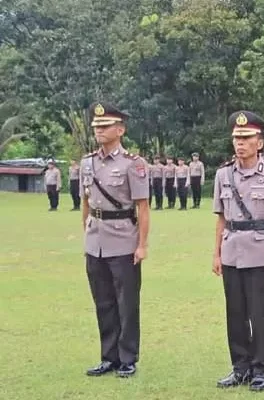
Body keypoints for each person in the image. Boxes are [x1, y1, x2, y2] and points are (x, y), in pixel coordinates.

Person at [212, 110, 264, 392]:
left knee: (261, 313)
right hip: (231, 251)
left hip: (259, 252)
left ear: (260, 142)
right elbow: (221, 218)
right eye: (236, 138)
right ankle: (240, 367)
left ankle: (260, 369)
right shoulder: (223, 174)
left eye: (246, 137)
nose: (240, 143)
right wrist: (216, 253)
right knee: (235, 313)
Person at [80, 101, 150, 378]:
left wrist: (142, 245)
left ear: (120, 129)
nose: (99, 129)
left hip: (123, 238)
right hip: (95, 239)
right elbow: (86, 201)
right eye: (96, 126)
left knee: (126, 302)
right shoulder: (88, 162)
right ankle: (108, 357)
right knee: (103, 301)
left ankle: (127, 357)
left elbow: (143, 207)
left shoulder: (133, 164)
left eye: (105, 125)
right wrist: (85, 231)